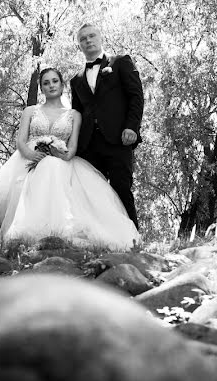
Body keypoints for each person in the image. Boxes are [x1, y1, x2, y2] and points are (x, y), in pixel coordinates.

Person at [0, 68, 140, 250]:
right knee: (44, 168)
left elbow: (71, 151)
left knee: (53, 166)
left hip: (62, 164)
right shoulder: (30, 111)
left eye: (55, 81)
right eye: (46, 83)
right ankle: (30, 229)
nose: (51, 85)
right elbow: (20, 142)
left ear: (62, 85)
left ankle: (60, 228)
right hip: (29, 161)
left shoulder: (74, 115)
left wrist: (57, 154)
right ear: (41, 88)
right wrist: (33, 155)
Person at [69, 23, 144, 229]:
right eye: (83, 39)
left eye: (91, 36)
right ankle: (101, 240)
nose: (88, 41)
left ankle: (132, 240)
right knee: (94, 195)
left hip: (119, 138)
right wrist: (73, 144)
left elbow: (136, 96)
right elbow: (76, 113)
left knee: (122, 188)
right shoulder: (75, 79)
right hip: (88, 145)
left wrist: (132, 127)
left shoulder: (121, 62)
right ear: (79, 46)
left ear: (100, 38)